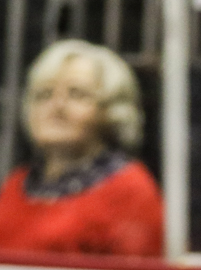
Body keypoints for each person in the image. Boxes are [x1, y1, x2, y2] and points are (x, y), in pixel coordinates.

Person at [0, 39, 163, 257]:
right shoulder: (16, 184)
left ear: (110, 110)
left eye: (76, 94)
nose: (57, 106)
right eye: (44, 95)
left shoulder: (130, 189)